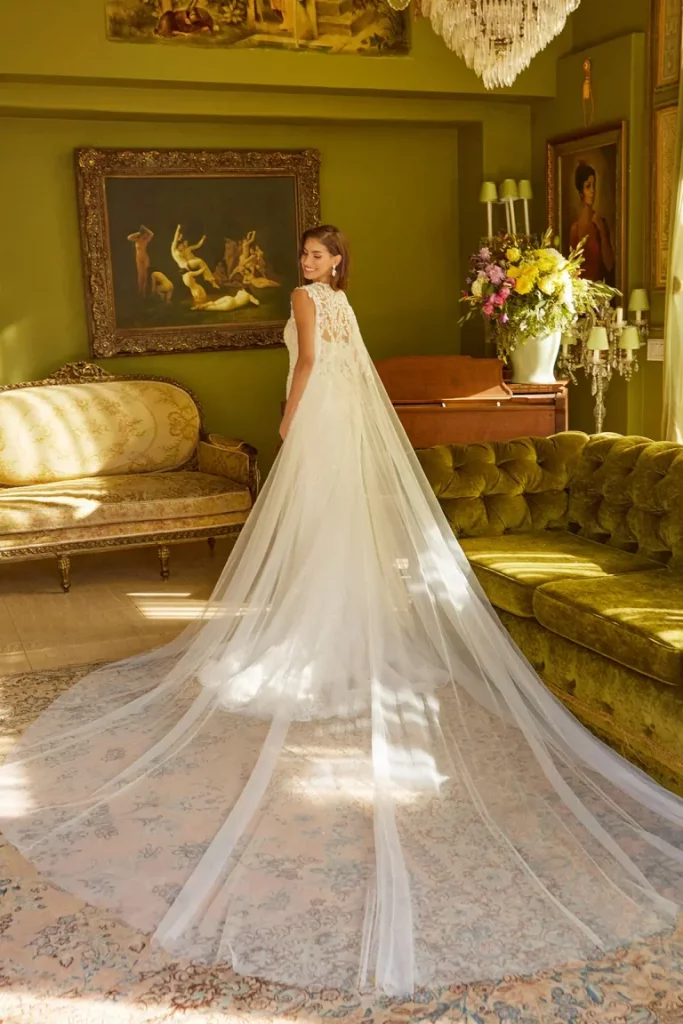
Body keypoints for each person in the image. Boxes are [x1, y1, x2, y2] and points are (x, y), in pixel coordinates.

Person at [3, 226, 683, 998]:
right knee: (333, 531)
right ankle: (332, 630)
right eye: (304, 257)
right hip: (345, 427)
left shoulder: (309, 300)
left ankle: (309, 635)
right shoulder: (338, 300)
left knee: (315, 529)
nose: (308, 265)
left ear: (336, 262)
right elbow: (347, 368)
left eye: (319, 256)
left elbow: (318, 367)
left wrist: (290, 416)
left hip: (319, 424)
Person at [568, 161, 615, 285]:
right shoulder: (575, 228)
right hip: (581, 293)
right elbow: (572, 268)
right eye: (588, 186)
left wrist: (602, 231)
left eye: (594, 186)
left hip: (601, 291)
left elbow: (609, 264)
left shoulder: (601, 223)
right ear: (580, 191)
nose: (593, 191)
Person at [126, 224, 154, 297]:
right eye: (144, 234)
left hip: (145, 258)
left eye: (145, 234)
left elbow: (151, 234)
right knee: (140, 276)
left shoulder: (146, 240)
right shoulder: (137, 240)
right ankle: (140, 292)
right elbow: (129, 237)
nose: (145, 235)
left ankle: (144, 294)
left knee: (145, 276)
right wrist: (139, 233)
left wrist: (145, 228)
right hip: (139, 258)